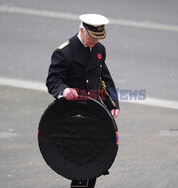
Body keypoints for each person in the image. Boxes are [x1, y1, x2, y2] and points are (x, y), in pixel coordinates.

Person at [46, 14, 120, 188]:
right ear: (81, 30)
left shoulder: (99, 49)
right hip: (73, 116)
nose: (95, 42)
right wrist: (64, 90)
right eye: (92, 37)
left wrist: (113, 104)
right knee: (83, 162)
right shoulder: (64, 52)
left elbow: (104, 78)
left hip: (94, 113)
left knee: (94, 160)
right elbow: (52, 81)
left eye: (98, 38)